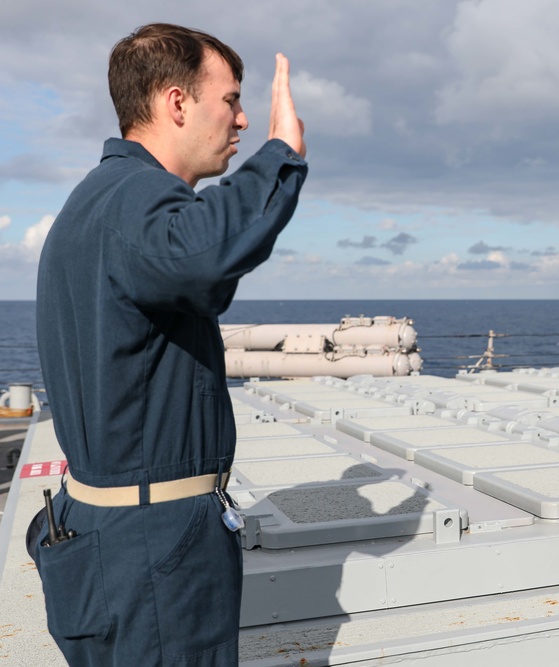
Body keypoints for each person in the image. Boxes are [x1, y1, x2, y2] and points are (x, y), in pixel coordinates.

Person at [34, 23, 307, 665]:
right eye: (231, 99)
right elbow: (202, 257)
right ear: (177, 103)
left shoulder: (98, 201)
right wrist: (282, 152)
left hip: (111, 534)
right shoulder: (135, 200)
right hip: (153, 550)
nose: (240, 120)